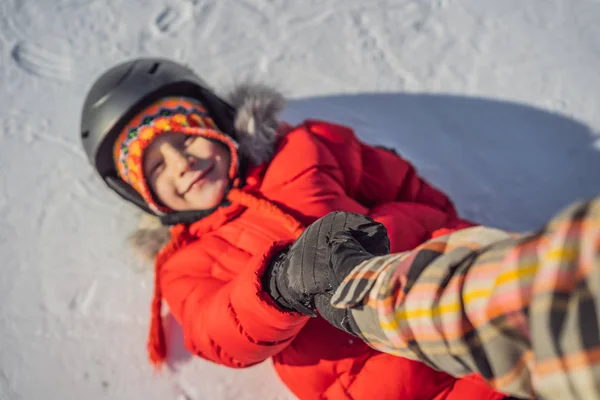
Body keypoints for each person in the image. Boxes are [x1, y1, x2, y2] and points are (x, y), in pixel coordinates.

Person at [80, 57, 512, 399]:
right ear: (142, 195)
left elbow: (409, 187)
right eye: (156, 166)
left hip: (467, 301)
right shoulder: (186, 263)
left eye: (186, 137)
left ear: (215, 122)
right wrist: (278, 285)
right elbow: (218, 331)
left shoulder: (306, 148)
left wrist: (414, 226)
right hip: (384, 381)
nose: (182, 163)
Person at [289, 199, 600, 400]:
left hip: (431, 298)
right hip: (370, 368)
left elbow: (541, 294)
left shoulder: (311, 144)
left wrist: (366, 289)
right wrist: (275, 287)